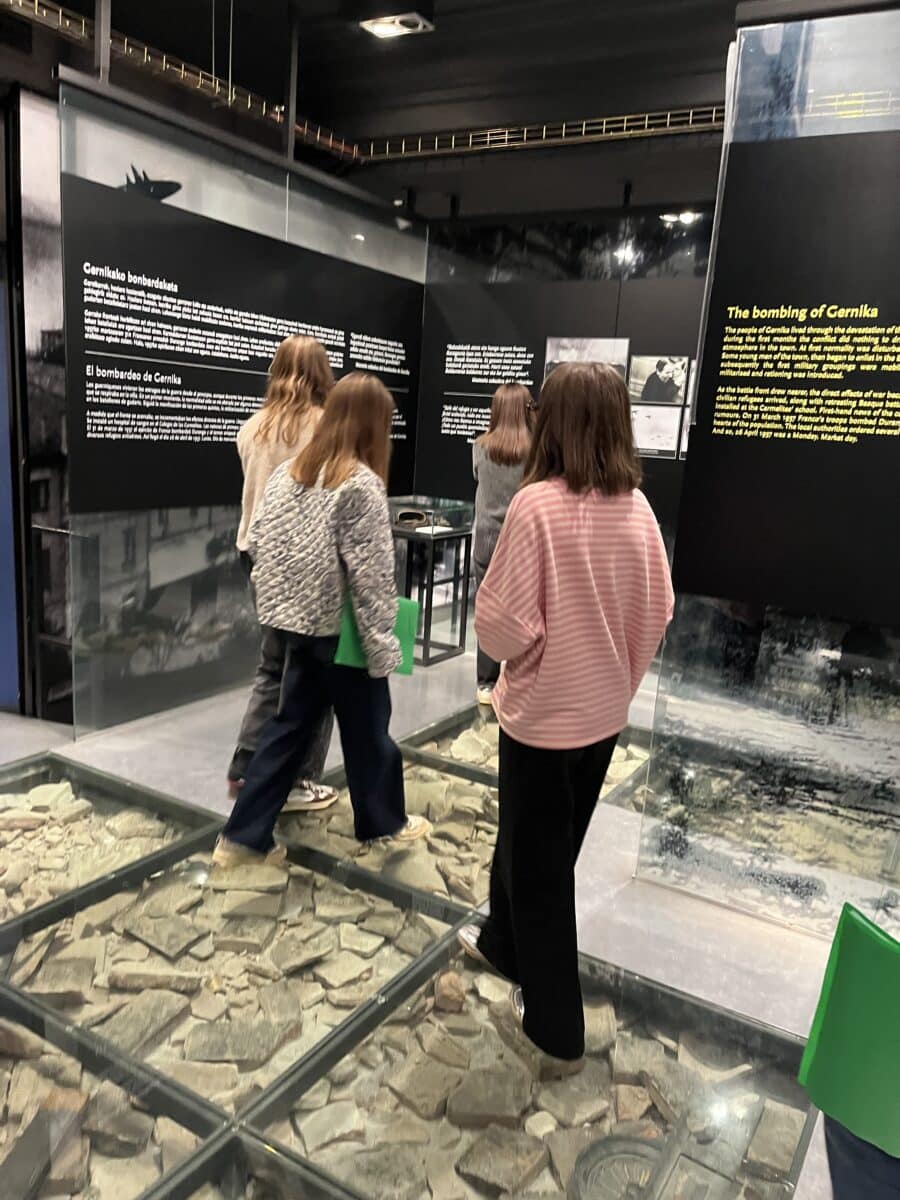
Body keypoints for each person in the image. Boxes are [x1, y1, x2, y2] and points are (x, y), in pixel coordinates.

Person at [458, 362, 674, 1074]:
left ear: (552, 420)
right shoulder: (638, 509)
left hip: (543, 720)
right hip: (600, 719)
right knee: (536, 847)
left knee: (540, 870)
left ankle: (556, 1030)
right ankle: (502, 944)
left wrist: (530, 654)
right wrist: (619, 679)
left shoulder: (538, 505)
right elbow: (659, 611)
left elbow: (500, 629)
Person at [213, 372, 430, 868]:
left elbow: (259, 542)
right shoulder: (361, 485)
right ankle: (384, 824)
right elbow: (372, 580)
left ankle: (241, 839)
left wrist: (282, 611)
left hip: (296, 629)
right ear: (373, 425)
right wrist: (382, 650)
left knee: (287, 730)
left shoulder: (286, 474)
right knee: (369, 734)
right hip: (340, 634)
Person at [228, 334, 337, 813]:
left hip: (256, 555)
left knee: (271, 666)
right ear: (321, 373)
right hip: (307, 561)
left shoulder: (251, 428)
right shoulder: (326, 426)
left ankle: (247, 764)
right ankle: (301, 778)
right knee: (316, 673)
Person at [472, 383, 534, 705]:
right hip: (520, 543)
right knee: (524, 614)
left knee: (489, 612)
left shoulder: (480, 446)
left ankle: (486, 684)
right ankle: (517, 683)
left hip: (485, 539)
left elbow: (477, 477)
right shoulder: (536, 452)